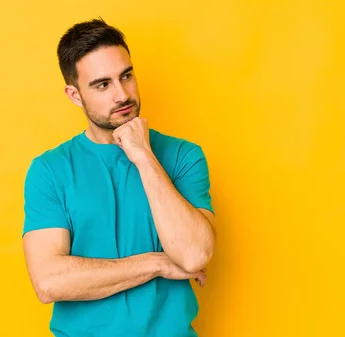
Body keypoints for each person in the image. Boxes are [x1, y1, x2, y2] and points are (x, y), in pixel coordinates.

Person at [21, 18, 216, 337]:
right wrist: (159, 263)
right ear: (74, 94)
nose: (123, 95)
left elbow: (195, 254)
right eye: (102, 84)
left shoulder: (183, 156)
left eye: (126, 76)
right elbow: (49, 281)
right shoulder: (49, 170)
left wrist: (143, 155)